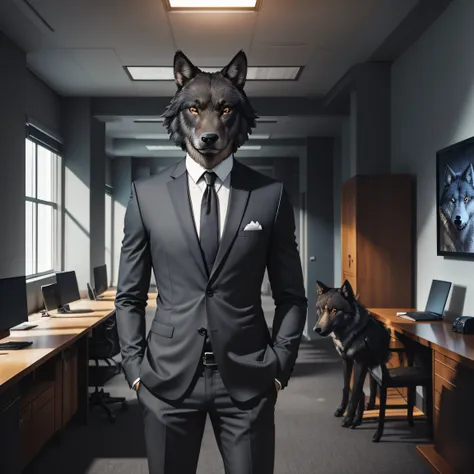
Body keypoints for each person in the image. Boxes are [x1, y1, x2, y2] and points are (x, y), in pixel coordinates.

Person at [115, 50, 307, 474]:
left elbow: (292, 297)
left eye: (222, 111)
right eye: (196, 110)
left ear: (236, 119)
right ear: (182, 115)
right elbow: (127, 296)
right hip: (165, 380)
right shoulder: (144, 195)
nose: (209, 128)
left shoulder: (270, 196)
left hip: (248, 379)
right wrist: (134, 370)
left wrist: (279, 366)